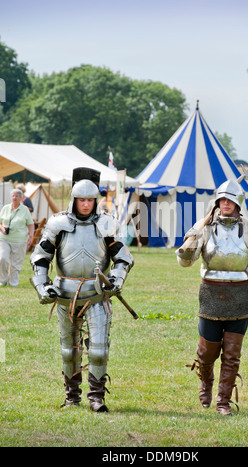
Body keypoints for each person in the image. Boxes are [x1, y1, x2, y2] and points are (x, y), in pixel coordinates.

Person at [29, 167, 134, 412]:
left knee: (98, 350)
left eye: (90, 200)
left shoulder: (107, 224)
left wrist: (117, 278)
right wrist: (42, 285)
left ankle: (96, 398)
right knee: (69, 350)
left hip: (97, 294)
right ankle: (71, 397)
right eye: (81, 199)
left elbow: (123, 258)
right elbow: (41, 256)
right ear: (74, 200)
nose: (86, 204)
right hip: (64, 294)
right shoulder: (58, 223)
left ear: (96, 201)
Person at [176, 179, 248, 415]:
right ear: (216, 202)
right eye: (222, 199)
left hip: (240, 297)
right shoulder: (204, 227)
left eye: (230, 200)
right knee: (206, 354)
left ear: (237, 203)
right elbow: (185, 262)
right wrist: (191, 241)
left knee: (232, 356)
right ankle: (206, 381)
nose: (226, 203)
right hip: (210, 296)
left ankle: (223, 402)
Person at [0, 189, 34, 287]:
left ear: (21, 198)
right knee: (2, 258)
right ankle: (2, 280)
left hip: (20, 240)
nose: (14, 198)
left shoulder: (25, 210)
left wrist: (31, 236)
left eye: (16, 196)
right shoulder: (5, 208)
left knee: (16, 263)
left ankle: (13, 282)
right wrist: (2, 229)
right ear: (11, 197)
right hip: (4, 239)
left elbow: (31, 224)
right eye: (13, 196)